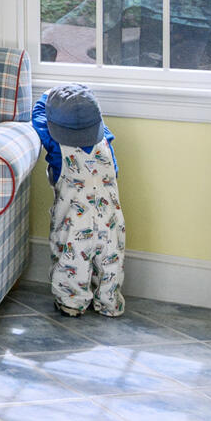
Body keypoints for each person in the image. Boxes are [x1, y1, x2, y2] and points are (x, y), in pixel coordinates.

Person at [34, 85, 125, 318]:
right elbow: (115, 170)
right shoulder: (105, 139)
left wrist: (47, 96)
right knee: (111, 262)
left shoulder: (57, 146)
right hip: (110, 220)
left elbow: (38, 117)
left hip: (73, 221)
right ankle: (109, 302)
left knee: (71, 261)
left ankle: (71, 303)